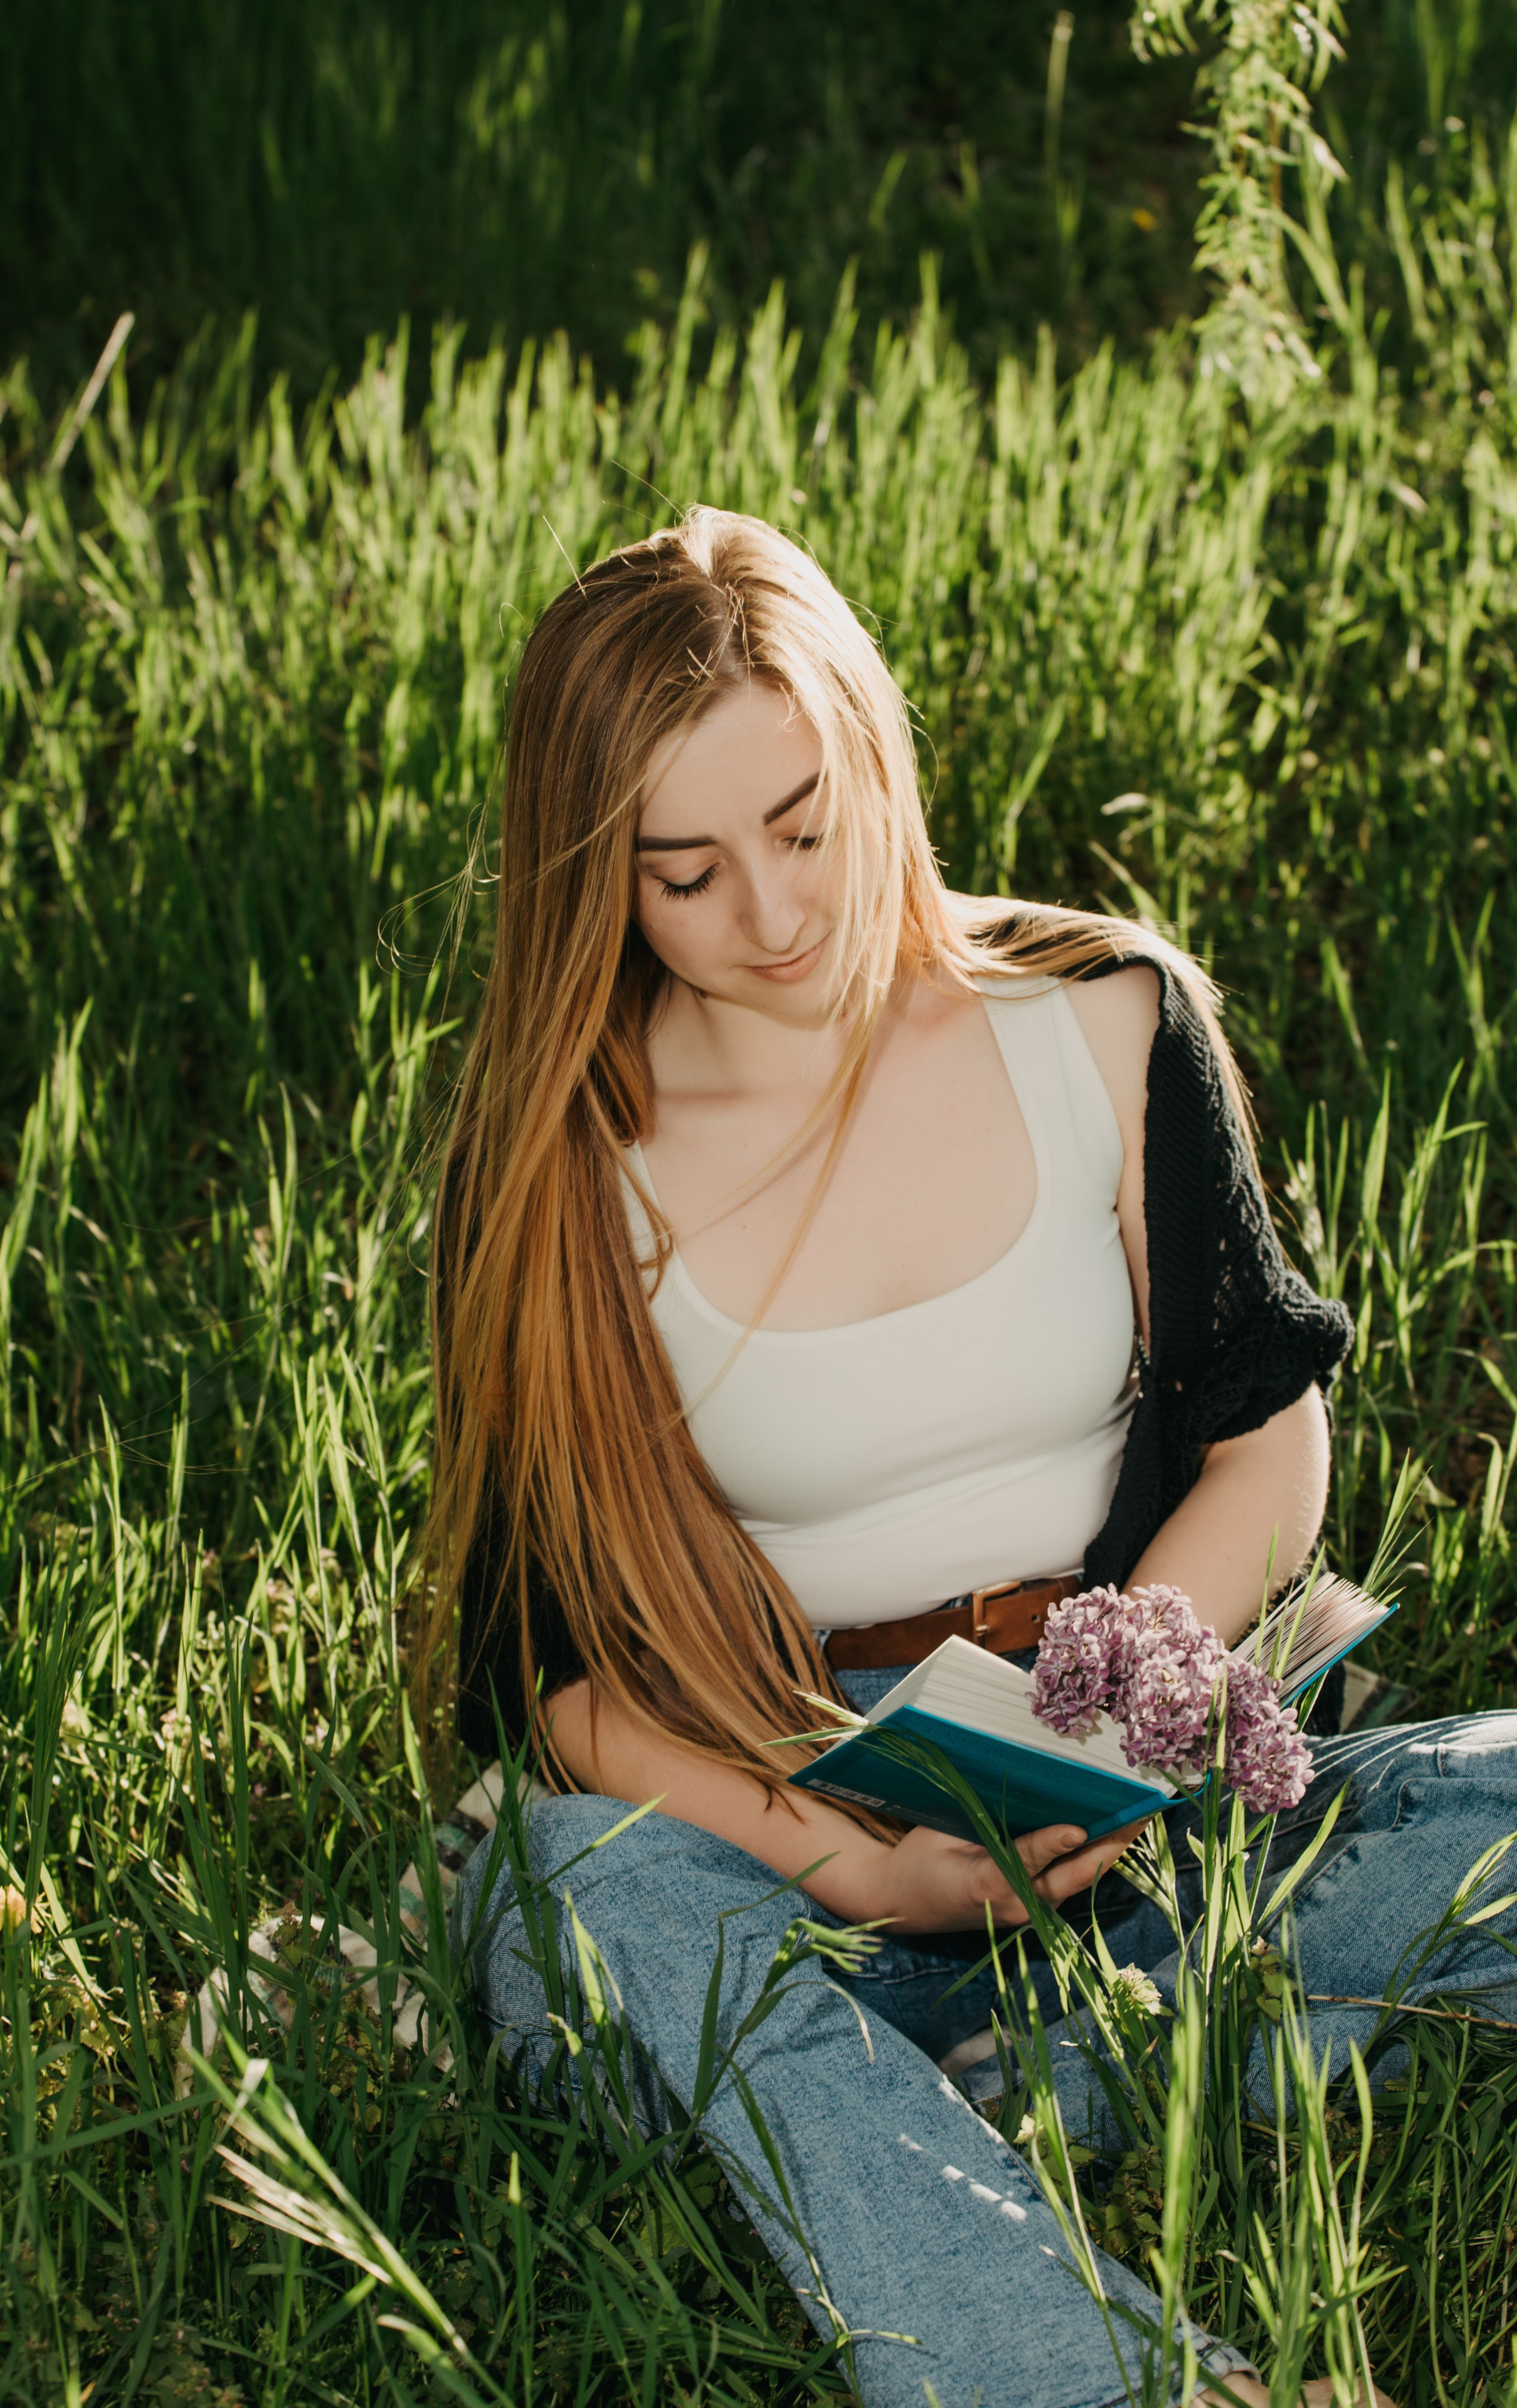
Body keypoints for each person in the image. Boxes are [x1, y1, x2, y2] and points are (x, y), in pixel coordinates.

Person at [421, 507, 1506, 2405]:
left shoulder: (1097, 1019)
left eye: (805, 824)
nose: (774, 913)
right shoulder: (559, 1169)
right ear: (594, 878)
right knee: (582, 1909)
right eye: (685, 872)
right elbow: (556, 1683)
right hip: (769, 1817)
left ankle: (992, 2081)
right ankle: (1095, 2341)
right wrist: (862, 1868)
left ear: (872, 755)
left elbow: (1266, 1437)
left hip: (1131, 1756)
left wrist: (1115, 1702)